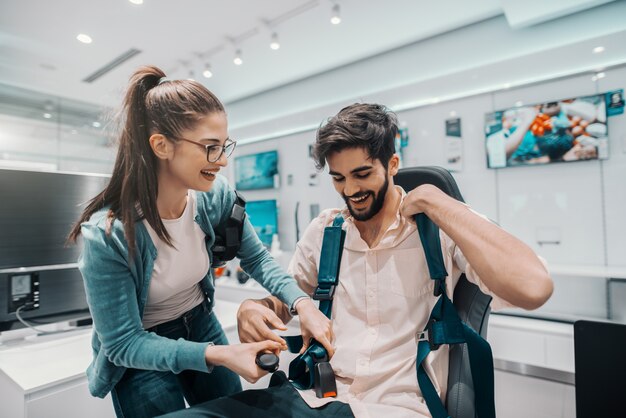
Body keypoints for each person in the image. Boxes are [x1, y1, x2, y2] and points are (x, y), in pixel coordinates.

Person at [163, 103, 553, 418]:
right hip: (314, 396)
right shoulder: (327, 231)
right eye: (338, 178)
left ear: (393, 165)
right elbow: (289, 299)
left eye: (362, 174)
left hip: (395, 406)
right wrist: (256, 307)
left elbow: (533, 287)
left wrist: (438, 200)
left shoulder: (437, 230)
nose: (350, 190)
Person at [67, 65, 333, 418]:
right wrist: (218, 354)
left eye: (224, 147)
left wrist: (304, 305)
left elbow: (257, 260)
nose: (222, 161)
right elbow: (122, 343)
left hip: (199, 322)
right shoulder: (109, 236)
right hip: (142, 348)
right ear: (161, 146)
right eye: (210, 148)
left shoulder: (213, 197)